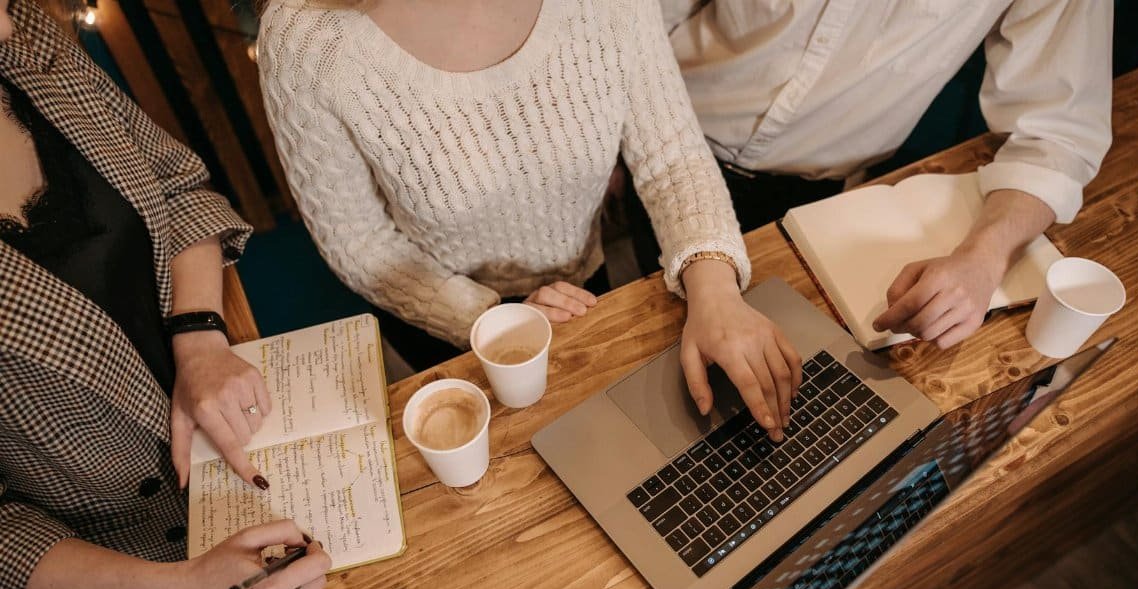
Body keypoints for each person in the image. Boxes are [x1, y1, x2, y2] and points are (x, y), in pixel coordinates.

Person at [258, 0, 803, 440]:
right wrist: (494, 319)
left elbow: (670, 155)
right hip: (450, 316)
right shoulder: (307, 38)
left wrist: (715, 289)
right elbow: (358, 240)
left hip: (583, 293)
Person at [0, 0, 329, 589]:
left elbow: (179, 187)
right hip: (148, 548)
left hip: (258, 424)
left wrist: (200, 336)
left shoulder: (30, 34)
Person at [642, 0, 1113, 349]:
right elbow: (636, 21)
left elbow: (1059, 133)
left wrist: (984, 258)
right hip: (658, 137)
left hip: (812, 203)